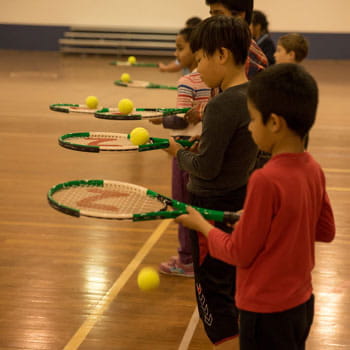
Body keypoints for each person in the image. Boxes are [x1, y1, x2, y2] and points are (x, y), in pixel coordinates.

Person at [175, 63, 336, 350]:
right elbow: (325, 230)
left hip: (264, 310)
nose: (249, 127)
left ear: (274, 123)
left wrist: (200, 225)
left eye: (252, 120)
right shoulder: (313, 169)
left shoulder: (264, 179)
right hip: (301, 303)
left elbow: (238, 252)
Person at [164, 16, 257, 349]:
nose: (198, 67)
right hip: (239, 199)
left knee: (214, 300)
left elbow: (206, 167)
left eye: (201, 57)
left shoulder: (220, 105)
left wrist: (178, 152)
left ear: (221, 55)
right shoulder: (253, 94)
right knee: (233, 287)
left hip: (209, 208)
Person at [150, 25, 211, 277]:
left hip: (184, 151)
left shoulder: (188, 81)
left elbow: (182, 119)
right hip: (205, 149)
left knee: (182, 205)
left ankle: (187, 259)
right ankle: (203, 255)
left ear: (197, 52)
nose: (177, 53)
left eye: (180, 48)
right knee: (199, 205)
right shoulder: (221, 82)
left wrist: (160, 119)